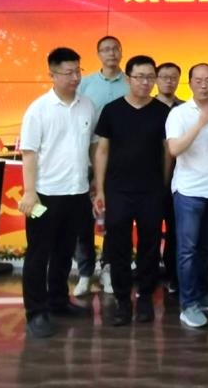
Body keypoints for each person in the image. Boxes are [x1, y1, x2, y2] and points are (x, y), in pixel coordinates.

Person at [19, 47, 98, 339]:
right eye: (68, 72)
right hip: (45, 194)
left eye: (78, 70)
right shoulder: (38, 109)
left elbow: (91, 146)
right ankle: (36, 312)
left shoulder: (87, 105)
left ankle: (58, 301)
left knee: (65, 251)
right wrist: (30, 193)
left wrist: (94, 182)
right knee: (38, 255)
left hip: (77, 193)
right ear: (51, 74)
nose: (75, 77)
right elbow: (29, 153)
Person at [93, 55, 170, 326]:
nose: (145, 82)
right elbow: (102, 150)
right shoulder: (112, 110)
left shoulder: (162, 111)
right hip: (118, 190)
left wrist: (164, 184)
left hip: (151, 189)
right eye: (140, 77)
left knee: (150, 244)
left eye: (150, 77)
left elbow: (167, 153)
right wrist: (100, 188)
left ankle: (146, 297)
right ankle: (122, 301)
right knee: (118, 246)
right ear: (128, 78)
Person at [166, 63, 208, 328]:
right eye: (198, 80)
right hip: (188, 190)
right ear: (189, 83)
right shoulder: (179, 114)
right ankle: (187, 304)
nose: (203, 84)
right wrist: (200, 124)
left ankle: (200, 294)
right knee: (187, 250)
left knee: (207, 248)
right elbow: (175, 149)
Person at [75, 35, 128, 297]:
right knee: (82, 220)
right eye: (105, 49)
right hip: (85, 160)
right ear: (98, 55)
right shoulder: (84, 84)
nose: (111, 53)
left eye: (115, 49)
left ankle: (108, 268)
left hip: (119, 162)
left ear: (121, 51)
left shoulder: (130, 83)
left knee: (114, 220)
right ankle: (85, 272)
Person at [154, 61, 182, 293]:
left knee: (175, 230)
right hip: (150, 178)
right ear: (156, 79)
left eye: (173, 77)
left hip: (179, 179)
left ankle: (173, 275)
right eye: (164, 77)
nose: (169, 81)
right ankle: (149, 274)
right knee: (150, 229)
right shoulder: (147, 107)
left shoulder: (184, 109)